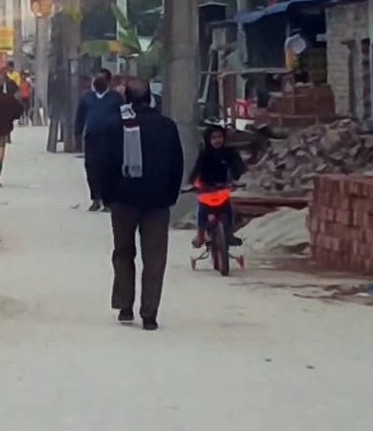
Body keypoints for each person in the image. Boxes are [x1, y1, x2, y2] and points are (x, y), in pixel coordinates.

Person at [92, 77, 183, 331]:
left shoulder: (116, 125)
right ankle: (150, 314)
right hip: (157, 203)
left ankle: (124, 306)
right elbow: (177, 165)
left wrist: (108, 196)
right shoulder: (166, 126)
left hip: (123, 201)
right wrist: (170, 196)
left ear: (127, 99)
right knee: (154, 258)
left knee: (123, 252)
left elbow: (104, 164)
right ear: (150, 98)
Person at [189, 124, 246, 248]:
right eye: (213, 137)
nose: (217, 140)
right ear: (208, 140)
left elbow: (238, 167)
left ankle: (229, 234)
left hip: (222, 188)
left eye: (220, 136)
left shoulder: (229, 152)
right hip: (206, 190)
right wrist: (192, 184)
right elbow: (196, 171)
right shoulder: (204, 154)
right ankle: (200, 235)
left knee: (229, 210)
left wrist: (236, 180)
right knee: (202, 212)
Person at [75, 69, 123, 211]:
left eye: (101, 79)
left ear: (108, 81)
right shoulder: (87, 97)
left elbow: (124, 115)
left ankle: (108, 201)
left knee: (109, 169)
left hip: (111, 139)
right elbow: (80, 117)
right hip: (92, 138)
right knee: (92, 168)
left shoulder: (116, 98)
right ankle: (96, 198)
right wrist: (77, 134)